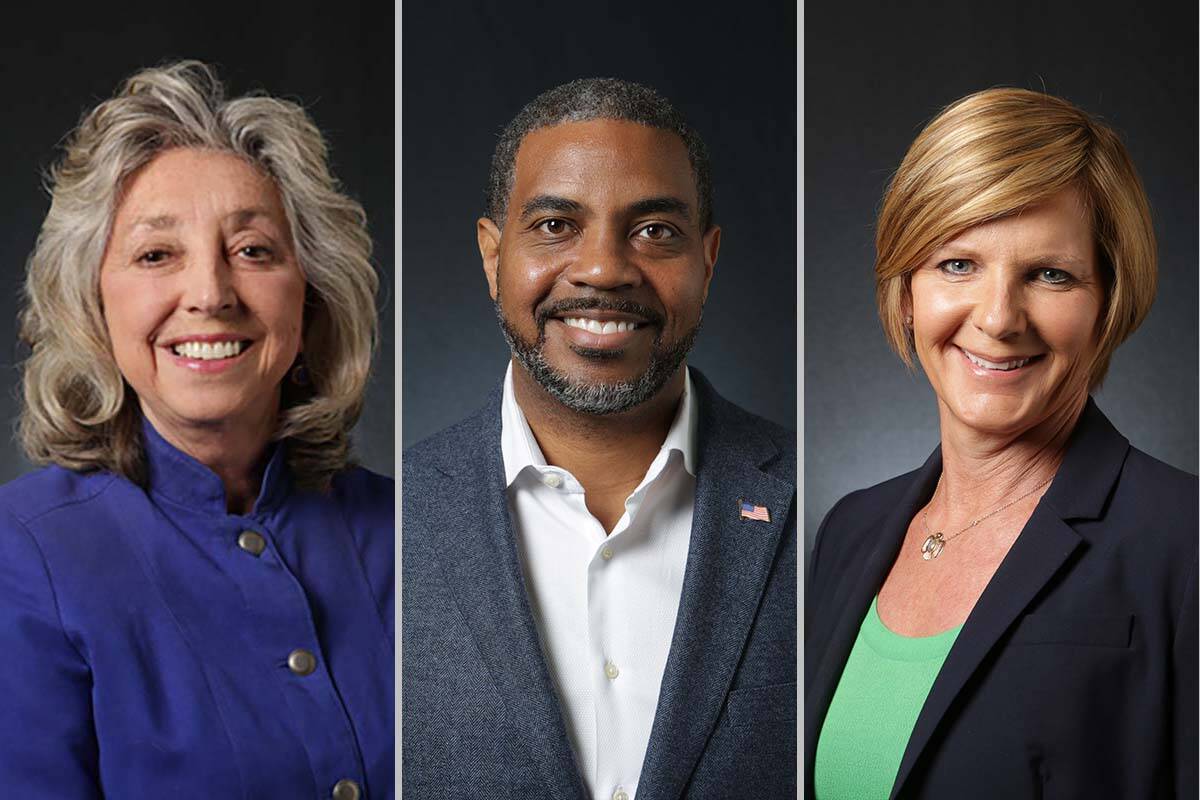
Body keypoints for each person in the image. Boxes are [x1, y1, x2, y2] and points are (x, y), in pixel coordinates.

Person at [0, 61, 393, 799]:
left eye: (253, 251)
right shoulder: (20, 556)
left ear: (308, 295)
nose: (210, 294)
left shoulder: (413, 532)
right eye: (156, 255)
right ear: (93, 302)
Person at [403, 78, 796, 799]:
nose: (604, 269)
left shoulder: (819, 506)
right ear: (493, 256)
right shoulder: (393, 522)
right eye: (555, 225)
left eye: (655, 231)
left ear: (708, 260)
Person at [805, 88, 1198, 799]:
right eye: (958, 264)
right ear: (905, 292)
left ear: (1108, 302)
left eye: (1050, 274)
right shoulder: (847, 532)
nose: (998, 318)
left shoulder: (1185, 542)